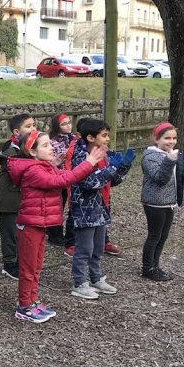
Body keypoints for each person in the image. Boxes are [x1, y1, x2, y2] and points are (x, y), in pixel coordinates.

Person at [7, 130, 106, 322]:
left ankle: (32, 301)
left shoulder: (44, 166)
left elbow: (65, 174)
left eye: (49, 143)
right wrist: (88, 163)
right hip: (29, 225)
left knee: (36, 266)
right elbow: (61, 180)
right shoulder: (33, 170)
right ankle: (24, 306)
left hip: (38, 224)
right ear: (32, 152)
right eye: (44, 145)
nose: (51, 147)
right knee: (28, 268)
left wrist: (87, 165)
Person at [69, 119, 136, 299]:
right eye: (104, 135)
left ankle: (96, 278)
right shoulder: (81, 157)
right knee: (84, 248)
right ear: (91, 137)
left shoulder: (105, 155)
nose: (108, 139)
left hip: (100, 208)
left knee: (98, 248)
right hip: (84, 210)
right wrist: (112, 167)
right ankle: (80, 283)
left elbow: (111, 181)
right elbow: (89, 183)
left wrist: (123, 166)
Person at [140, 122, 184, 281]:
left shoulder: (177, 155)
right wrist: (169, 160)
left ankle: (155, 265)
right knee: (154, 236)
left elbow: (182, 179)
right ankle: (147, 268)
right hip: (155, 203)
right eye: (167, 138)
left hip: (170, 202)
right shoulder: (150, 156)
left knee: (163, 236)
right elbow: (160, 179)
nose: (171, 142)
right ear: (156, 139)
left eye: (174, 138)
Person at [0, 113, 36, 280]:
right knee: (10, 232)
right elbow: (15, 167)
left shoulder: (30, 148)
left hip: (22, 198)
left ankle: (20, 261)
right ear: (17, 132)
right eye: (28, 126)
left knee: (22, 232)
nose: (33, 129)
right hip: (9, 199)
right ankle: (9, 264)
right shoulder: (11, 149)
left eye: (34, 125)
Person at [47, 113, 77, 249]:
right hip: (57, 176)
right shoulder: (52, 141)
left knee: (66, 204)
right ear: (57, 127)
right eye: (64, 124)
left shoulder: (74, 139)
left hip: (70, 176)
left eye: (69, 122)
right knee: (56, 206)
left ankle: (62, 233)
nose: (68, 126)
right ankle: (54, 234)